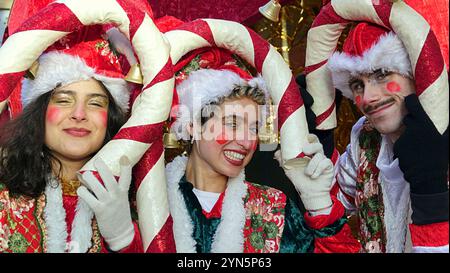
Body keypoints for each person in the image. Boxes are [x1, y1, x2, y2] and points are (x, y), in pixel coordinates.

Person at [163, 46, 359, 253]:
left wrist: (319, 204)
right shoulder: (150, 205)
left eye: (254, 128)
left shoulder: (275, 208)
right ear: (192, 124)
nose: (247, 141)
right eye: (232, 123)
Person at [0, 36, 143, 253]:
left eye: (95, 103)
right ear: (39, 113)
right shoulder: (5, 194)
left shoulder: (138, 201)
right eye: (64, 100)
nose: (79, 114)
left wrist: (124, 241)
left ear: (111, 119)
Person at [326, 22, 449, 252]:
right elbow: (332, 205)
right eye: (357, 85)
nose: (369, 97)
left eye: (382, 74)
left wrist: (431, 191)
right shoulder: (365, 136)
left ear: (415, 71)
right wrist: (319, 142)